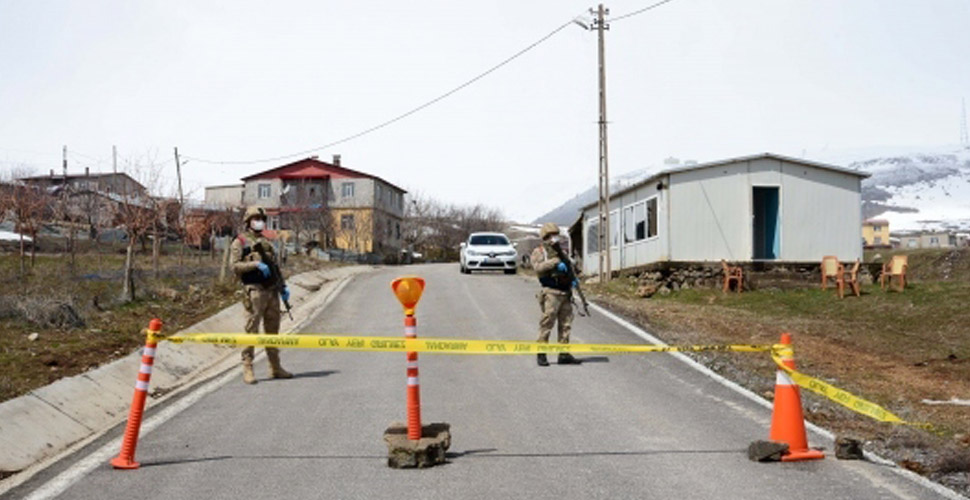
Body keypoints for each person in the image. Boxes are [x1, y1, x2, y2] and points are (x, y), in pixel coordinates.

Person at [230, 206, 293, 384]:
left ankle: (275, 367)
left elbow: (274, 268)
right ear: (248, 221)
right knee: (252, 330)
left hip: (271, 291)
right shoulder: (240, 242)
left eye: (261, 218)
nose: (259, 221)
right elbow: (234, 266)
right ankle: (248, 368)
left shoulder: (267, 242)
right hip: (254, 290)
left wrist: (283, 287)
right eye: (255, 218)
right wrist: (255, 265)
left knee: (272, 330)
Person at [530, 222, 580, 366]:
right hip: (551, 293)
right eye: (551, 235)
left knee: (566, 324)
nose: (554, 238)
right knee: (547, 323)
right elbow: (538, 268)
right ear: (545, 236)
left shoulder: (560, 251)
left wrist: (573, 279)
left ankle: (563, 354)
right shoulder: (540, 251)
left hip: (565, 292)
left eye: (556, 235)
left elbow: (570, 266)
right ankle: (541, 353)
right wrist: (555, 262)